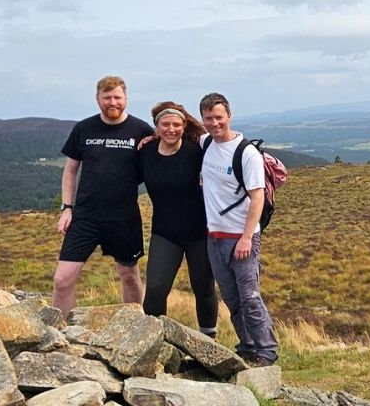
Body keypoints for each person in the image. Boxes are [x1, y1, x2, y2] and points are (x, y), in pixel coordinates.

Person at [53, 76, 155, 318]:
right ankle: (58, 332)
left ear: (126, 99)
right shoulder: (83, 129)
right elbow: (70, 170)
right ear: (97, 99)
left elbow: (156, 167)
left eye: (117, 97)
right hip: (85, 216)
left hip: (124, 217)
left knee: (129, 275)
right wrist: (66, 208)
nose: (112, 102)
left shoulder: (140, 130)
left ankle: (133, 326)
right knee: (62, 279)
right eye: (107, 97)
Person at [198, 92, 279, 366]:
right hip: (214, 238)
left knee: (250, 298)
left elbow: (257, 197)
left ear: (229, 116)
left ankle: (266, 352)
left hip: (241, 239)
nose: (214, 123)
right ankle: (247, 346)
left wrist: (246, 237)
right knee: (232, 298)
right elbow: (180, 124)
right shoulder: (205, 142)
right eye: (208, 118)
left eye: (219, 117)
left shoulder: (247, 153)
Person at [138, 101, 219, 338]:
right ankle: (152, 339)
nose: (170, 129)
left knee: (203, 287)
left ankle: (208, 340)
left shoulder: (196, 152)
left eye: (176, 124)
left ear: (184, 126)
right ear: (156, 127)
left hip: (199, 232)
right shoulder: (146, 153)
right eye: (165, 124)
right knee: (155, 288)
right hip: (165, 233)